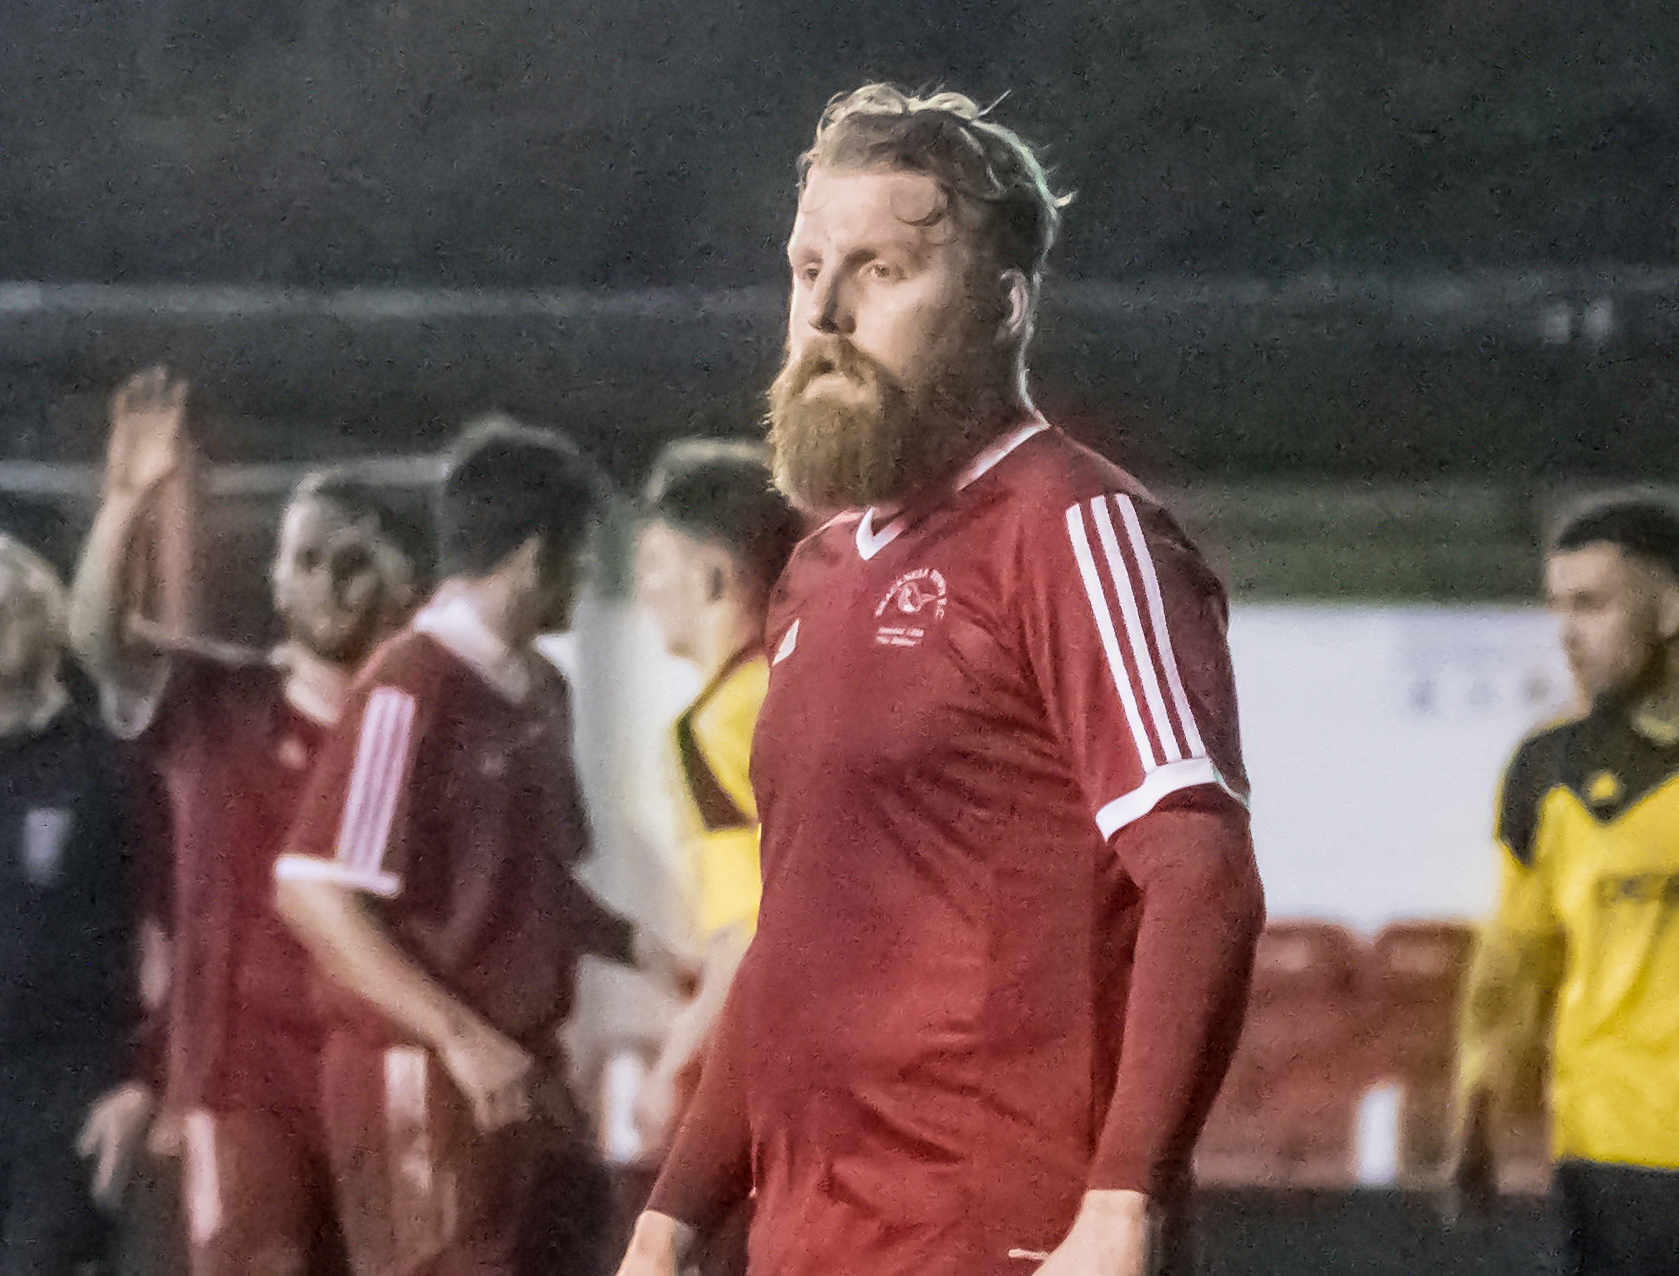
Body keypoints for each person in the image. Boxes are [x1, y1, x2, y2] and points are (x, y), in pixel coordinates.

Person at [616, 84, 1265, 1276]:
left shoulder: (1073, 526)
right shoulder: (813, 574)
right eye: (805, 267)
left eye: (877, 271)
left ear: (1000, 303)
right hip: (808, 1240)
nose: (821, 311)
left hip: (997, 1234)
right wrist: (671, 1219)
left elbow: (1200, 874)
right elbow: (792, 945)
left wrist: (1122, 1201)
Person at [274, 420, 672, 1276]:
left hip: (528, 1067)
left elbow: (535, 886)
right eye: (577, 556)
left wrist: (647, 950)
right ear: (536, 555)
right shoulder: (408, 686)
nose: (583, 578)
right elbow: (313, 887)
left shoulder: (541, 689)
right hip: (423, 1077)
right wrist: (458, 1036)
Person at [70, 368, 422, 1276]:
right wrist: (125, 506)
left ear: (395, 580)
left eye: (351, 560)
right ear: (275, 577)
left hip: (375, 1075)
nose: (327, 582)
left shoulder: (414, 727)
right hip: (244, 1086)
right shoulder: (219, 700)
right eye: (305, 559)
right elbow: (102, 639)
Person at [1451, 498, 1679, 1275]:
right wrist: (1478, 1098)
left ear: (1670, 607)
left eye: (1592, 604)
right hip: (1605, 1156)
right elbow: (1515, 955)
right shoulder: (1547, 770)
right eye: (1558, 606)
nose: (1567, 632)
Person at [630, 439, 803, 1158]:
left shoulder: (715, 726)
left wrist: (678, 1059)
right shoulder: (807, 685)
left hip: (797, 1061)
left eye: (653, 566)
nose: (643, 590)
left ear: (709, 580)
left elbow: (751, 924)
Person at [0, 534, 149, 1275]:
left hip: (65, 1105)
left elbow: (169, 930)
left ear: (48, 617)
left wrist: (142, 1078)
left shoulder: (105, 765)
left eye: (9, 605)